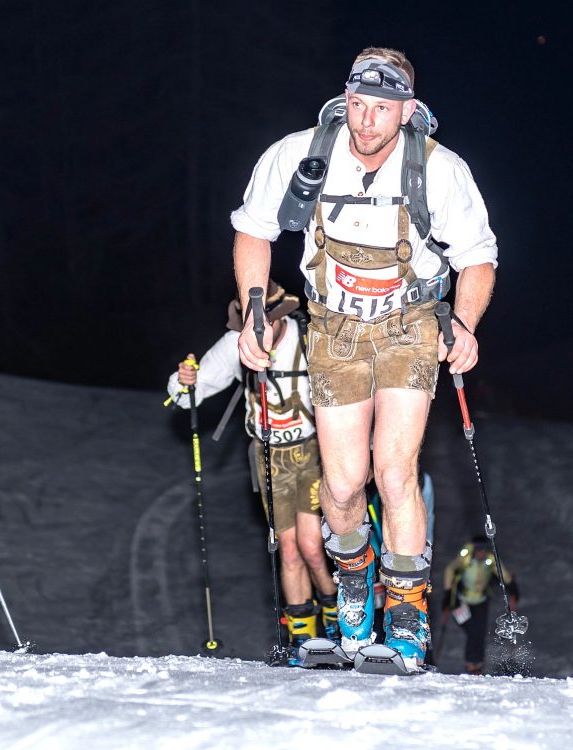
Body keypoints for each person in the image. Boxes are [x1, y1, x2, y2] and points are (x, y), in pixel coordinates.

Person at [231, 47, 498, 670]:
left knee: (394, 472)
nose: (366, 120)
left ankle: (405, 619)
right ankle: (353, 594)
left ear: (407, 110)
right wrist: (253, 311)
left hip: (409, 325)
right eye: (357, 104)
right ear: (344, 99)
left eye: (381, 107)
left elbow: (478, 257)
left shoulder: (439, 169)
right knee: (344, 483)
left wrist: (463, 324)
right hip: (335, 328)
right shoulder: (298, 155)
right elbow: (253, 230)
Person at [166, 280, 338, 649]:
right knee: (288, 548)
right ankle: (303, 639)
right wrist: (185, 381)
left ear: (279, 316)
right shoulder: (237, 343)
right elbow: (188, 393)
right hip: (269, 457)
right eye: (251, 324)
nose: (258, 332)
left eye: (264, 322)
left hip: (313, 452)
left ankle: (336, 613)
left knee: (311, 545)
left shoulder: (308, 339)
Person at [442, 536, 519, 674]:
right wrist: (448, 592)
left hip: (481, 600)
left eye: (484, 550)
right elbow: (450, 569)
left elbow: (502, 574)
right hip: (462, 601)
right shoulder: (466, 559)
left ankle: (477, 663)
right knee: (472, 631)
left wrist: (511, 586)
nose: (481, 553)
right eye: (479, 550)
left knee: (480, 631)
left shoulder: (490, 560)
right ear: (474, 550)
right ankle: (470, 662)